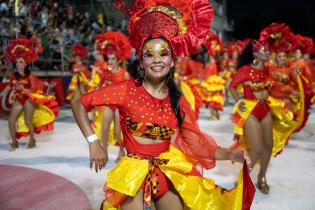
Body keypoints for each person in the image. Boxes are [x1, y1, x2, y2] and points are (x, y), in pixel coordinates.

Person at [72, 0, 254, 209]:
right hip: (132, 174)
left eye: (163, 53)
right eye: (149, 54)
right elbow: (79, 103)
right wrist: (94, 142)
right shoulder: (125, 90)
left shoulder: (178, 100)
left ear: (172, 60)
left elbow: (198, 144)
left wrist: (231, 154)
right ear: (141, 61)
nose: (157, 60)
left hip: (166, 170)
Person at [229, 41, 273, 194]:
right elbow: (231, 86)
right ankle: (242, 181)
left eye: (267, 50)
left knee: (269, 146)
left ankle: (261, 177)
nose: (267, 52)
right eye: (263, 50)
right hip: (250, 111)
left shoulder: (268, 71)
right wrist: (238, 101)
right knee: (256, 149)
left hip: (264, 109)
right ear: (255, 54)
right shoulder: (246, 70)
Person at [6, 37, 59, 151]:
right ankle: (14, 142)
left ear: (25, 63)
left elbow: (34, 90)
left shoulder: (30, 75)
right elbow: (12, 86)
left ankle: (32, 140)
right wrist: (16, 88)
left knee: (28, 120)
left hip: (29, 99)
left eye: (21, 62)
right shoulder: (13, 75)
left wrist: (23, 89)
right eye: (17, 62)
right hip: (19, 98)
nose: (18, 64)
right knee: (11, 120)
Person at [92, 31, 131, 162]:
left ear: (119, 59)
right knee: (104, 129)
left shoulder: (124, 73)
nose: (110, 61)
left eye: (113, 58)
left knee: (118, 131)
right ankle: (105, 154)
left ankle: (121, 152)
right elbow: (99, 87)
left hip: (120, 105)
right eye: (108, 59)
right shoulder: (106, 73)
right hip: (108, 104)